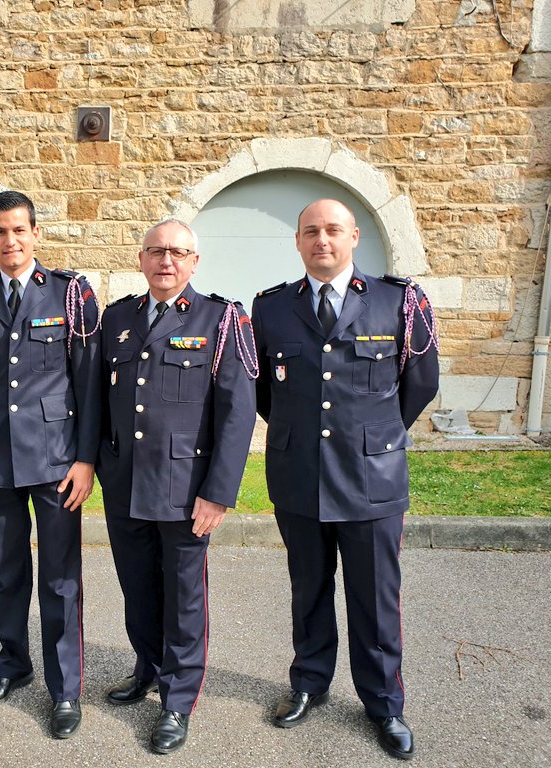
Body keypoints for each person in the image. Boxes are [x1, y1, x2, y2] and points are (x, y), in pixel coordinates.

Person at [251, 198, 439, 761]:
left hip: (372, 479)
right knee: (308, 589)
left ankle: (384, 703)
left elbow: (420, 384)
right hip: (299, 477)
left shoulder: (399, 302)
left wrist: (374, 432)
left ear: (355, 236)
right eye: (311, 232)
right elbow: (265, 393)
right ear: (299, 241)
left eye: (333, 230)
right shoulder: (271, 308)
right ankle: (309, 682)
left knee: (375, 598)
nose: (322, 241)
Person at [97, 219, 258, 754]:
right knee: (137, 589)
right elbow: (101, 402)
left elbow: (237, 413)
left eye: (178, 252)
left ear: (194, 262)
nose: (167, 261)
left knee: (184, 599)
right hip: (126, 485)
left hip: (186, 488)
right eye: (156, 251)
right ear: (141, 258)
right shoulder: (117, 318)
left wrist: (219, 492)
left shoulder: (220, 319)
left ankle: (178, 700)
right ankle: (147, 668)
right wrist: (100, 464)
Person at [0, 190, 100, 739]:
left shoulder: (71, 295)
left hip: (57, 460)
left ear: (35, 234)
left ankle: (65, 688)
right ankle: (13, 664)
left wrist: (85, 459)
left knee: (60, 579)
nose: (10, 241)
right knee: (6, 572)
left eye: (19, 230)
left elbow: (87, 384)